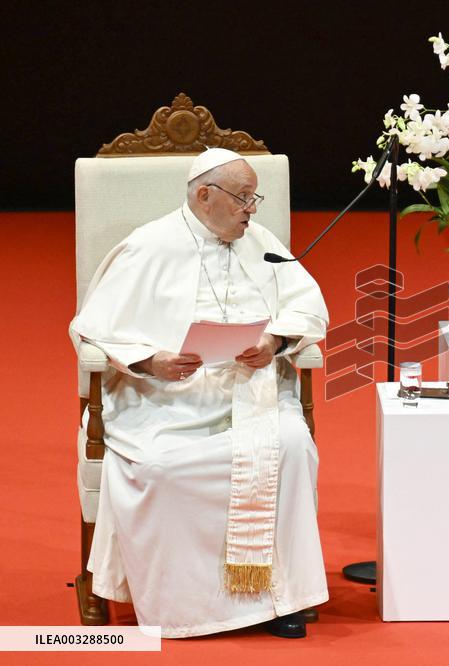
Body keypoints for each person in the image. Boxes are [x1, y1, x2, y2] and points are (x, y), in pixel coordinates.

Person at [70, 148, 330, 639]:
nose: (251, 210)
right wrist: (152, 360)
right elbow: (93, 329)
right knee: (159, 469)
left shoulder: (261, 243)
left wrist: (273, 342)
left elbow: (309, 308)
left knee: (292, 445)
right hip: (164, 397)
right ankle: (184, 607)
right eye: (243, 198)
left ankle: (280, 598)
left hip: (251, 388)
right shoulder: (147, 247)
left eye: (255, 198)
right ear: (204, 195)